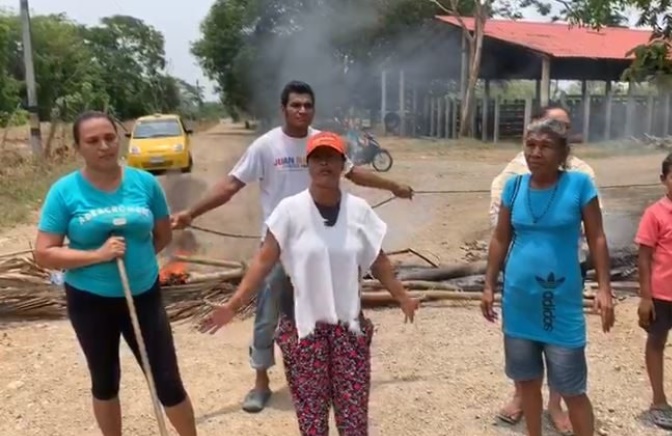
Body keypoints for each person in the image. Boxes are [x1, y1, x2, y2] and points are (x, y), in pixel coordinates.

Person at [171, 80, 413, 413]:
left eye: (307, 105)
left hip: (322, 245)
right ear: (283, 109)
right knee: (267, 314)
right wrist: (190, 213)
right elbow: (229, 186)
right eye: (295, 105)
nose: (302, 110)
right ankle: (260, 382)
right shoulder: (266, 146)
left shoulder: (322, 143)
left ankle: (332, 377)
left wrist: (394, 185)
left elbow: (354, 174)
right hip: (279, 247)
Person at [198, 131, 419, 435]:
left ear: (343, 164)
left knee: (353, 417)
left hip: (348, 331)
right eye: (318, 157)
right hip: (304, 333)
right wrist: (233, 305)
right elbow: (263, 261)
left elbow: (378, 261)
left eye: (332, 157)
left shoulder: (359, 212)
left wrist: (403, 296)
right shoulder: (289, 211)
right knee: (312, 420)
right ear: (308, 164)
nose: (325, 163)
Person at [33, 111, 197, 436]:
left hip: (143, 297)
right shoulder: (64, 192)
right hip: (90, 301)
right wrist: (98, 255)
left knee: (167, 380)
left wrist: (141, 262)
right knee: (105, 380)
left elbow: (162, 235)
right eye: (93, 141)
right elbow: (44, 253)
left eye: (110, 138)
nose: (104, 146)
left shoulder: (145, 183)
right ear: (78, 147)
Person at [481, 117, 614, 436]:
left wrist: (604, 288)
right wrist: (488, 284)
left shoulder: (579, 185)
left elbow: (597, 237)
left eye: (545, 146)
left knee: (571, 387)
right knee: (526, 381)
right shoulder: (513, 187)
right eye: (530, 145)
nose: (535, 152)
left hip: (561, 303)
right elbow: (500, 238)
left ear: (562, 152)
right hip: (519, 302)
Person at [635, 152, 672, 431]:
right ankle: (658, 401)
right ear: (664, 180)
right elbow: (645, 257)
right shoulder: (655, 213)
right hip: (661, 295)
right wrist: (645, 297)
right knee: (656, 344)